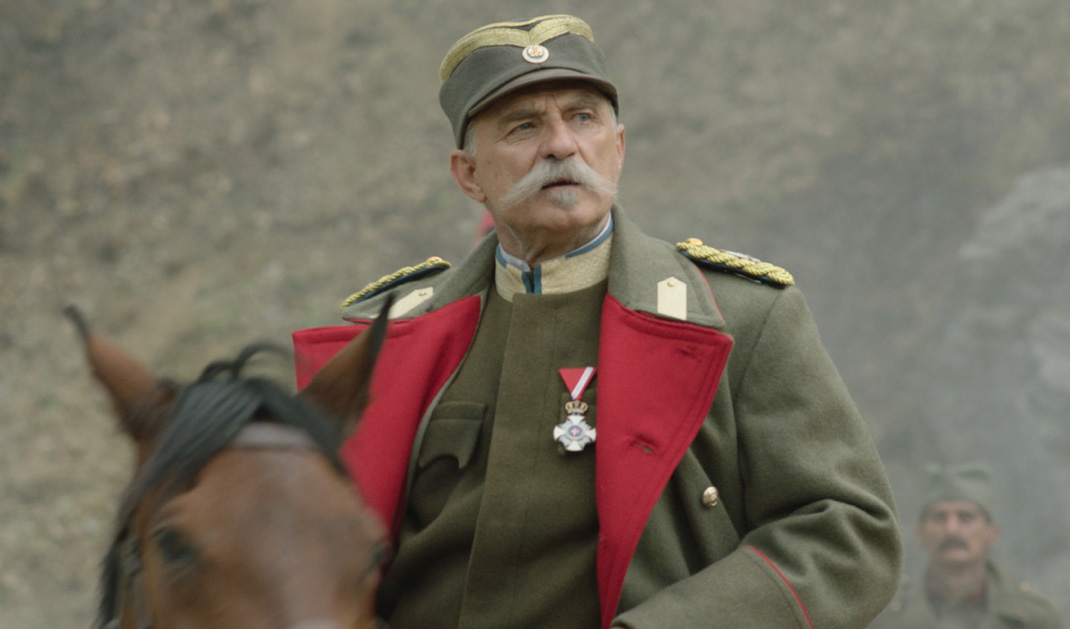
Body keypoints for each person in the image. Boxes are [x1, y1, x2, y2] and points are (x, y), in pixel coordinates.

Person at [293, 14, 901, 629]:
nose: (561, 145)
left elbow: (848, 532)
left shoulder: (738, 319)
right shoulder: (384, 341)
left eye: (583, 118)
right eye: (524, 126)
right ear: (469, 174)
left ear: (619, 147)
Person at [870, 463, 1064, 628]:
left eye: (966, 517)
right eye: (939, 517)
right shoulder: (883, 617)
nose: (951, 530)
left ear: (991, 533)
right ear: (920, 534)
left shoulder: (1035, 618)